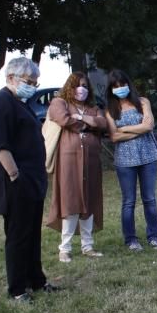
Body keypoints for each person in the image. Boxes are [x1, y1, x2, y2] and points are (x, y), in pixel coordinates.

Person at [0, 56, 59, 302]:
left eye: (36, 83)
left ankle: (36, 280)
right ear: (11, 78)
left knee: (32, 234)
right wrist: (15, 175)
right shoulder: (0, 101)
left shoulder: (22, 102)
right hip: (16, 182)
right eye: (29, 82)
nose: (33, 87)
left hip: (33, 180)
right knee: (18, 235)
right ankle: (17, 289)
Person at [45, 72, 106, 262]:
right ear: (70, 86)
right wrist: (88, 125)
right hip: (68, 160)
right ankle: (65, 248)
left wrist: (85, 120)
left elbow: (102, 123)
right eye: (78, 85)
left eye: (86, 86)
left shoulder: (93, 108)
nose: (82, 89)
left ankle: (87, 246)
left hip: (91, 161)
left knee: (89, 200)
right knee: (70, 201)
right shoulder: (59, 102)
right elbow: (63, 119)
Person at [105, 70, 157, 251]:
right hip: (124, 160)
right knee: (128, 201)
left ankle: (153, 236)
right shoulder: (110, 110)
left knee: (149, 199)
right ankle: (131, 239)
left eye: (122, 84)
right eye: (116, 86)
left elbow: (149, 125)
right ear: (111, 89)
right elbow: (113, 137)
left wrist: (124, 129)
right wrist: (139, 129)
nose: (120, 88)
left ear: (128, 84)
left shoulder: (143, 102)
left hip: (148, 156)